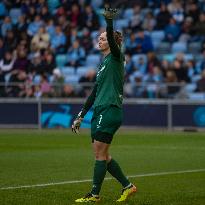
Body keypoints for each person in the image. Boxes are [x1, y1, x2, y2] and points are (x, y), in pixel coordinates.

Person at [71, 7, 137, 203]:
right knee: (103, 154)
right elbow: (94, 93)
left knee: (99, 153)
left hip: (110, 109)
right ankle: (128, 186)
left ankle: (94, 194)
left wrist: (109, 22)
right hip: (100, 109)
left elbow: (110, 34)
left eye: (102, 38)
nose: (99, 41)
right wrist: (81, 115)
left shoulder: (117, 57)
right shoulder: (103, 64)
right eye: (98, 39)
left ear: (112, 41)